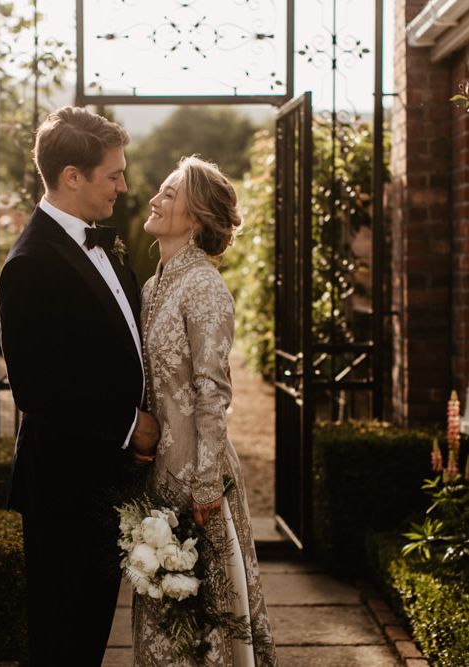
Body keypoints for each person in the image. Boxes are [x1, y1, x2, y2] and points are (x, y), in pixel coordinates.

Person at [0, 106, 160, 666]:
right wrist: (127, 425)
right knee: (60, 642)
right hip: (63, 487)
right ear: (73, 176)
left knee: (88, 638)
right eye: (113, 174)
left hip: (105, 480)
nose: (124, 185)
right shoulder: (30, 264)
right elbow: (38, 391)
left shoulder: (103, 244)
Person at [133, 155, 278, 666]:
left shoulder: (207, 287)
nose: (155, 198)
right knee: (158, 620)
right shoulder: (152, 287)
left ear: (194, 217)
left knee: (205, 623)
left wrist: (206, 482)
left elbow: (213, 393)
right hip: (155, 483)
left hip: (199, 481)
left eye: (169, 194)